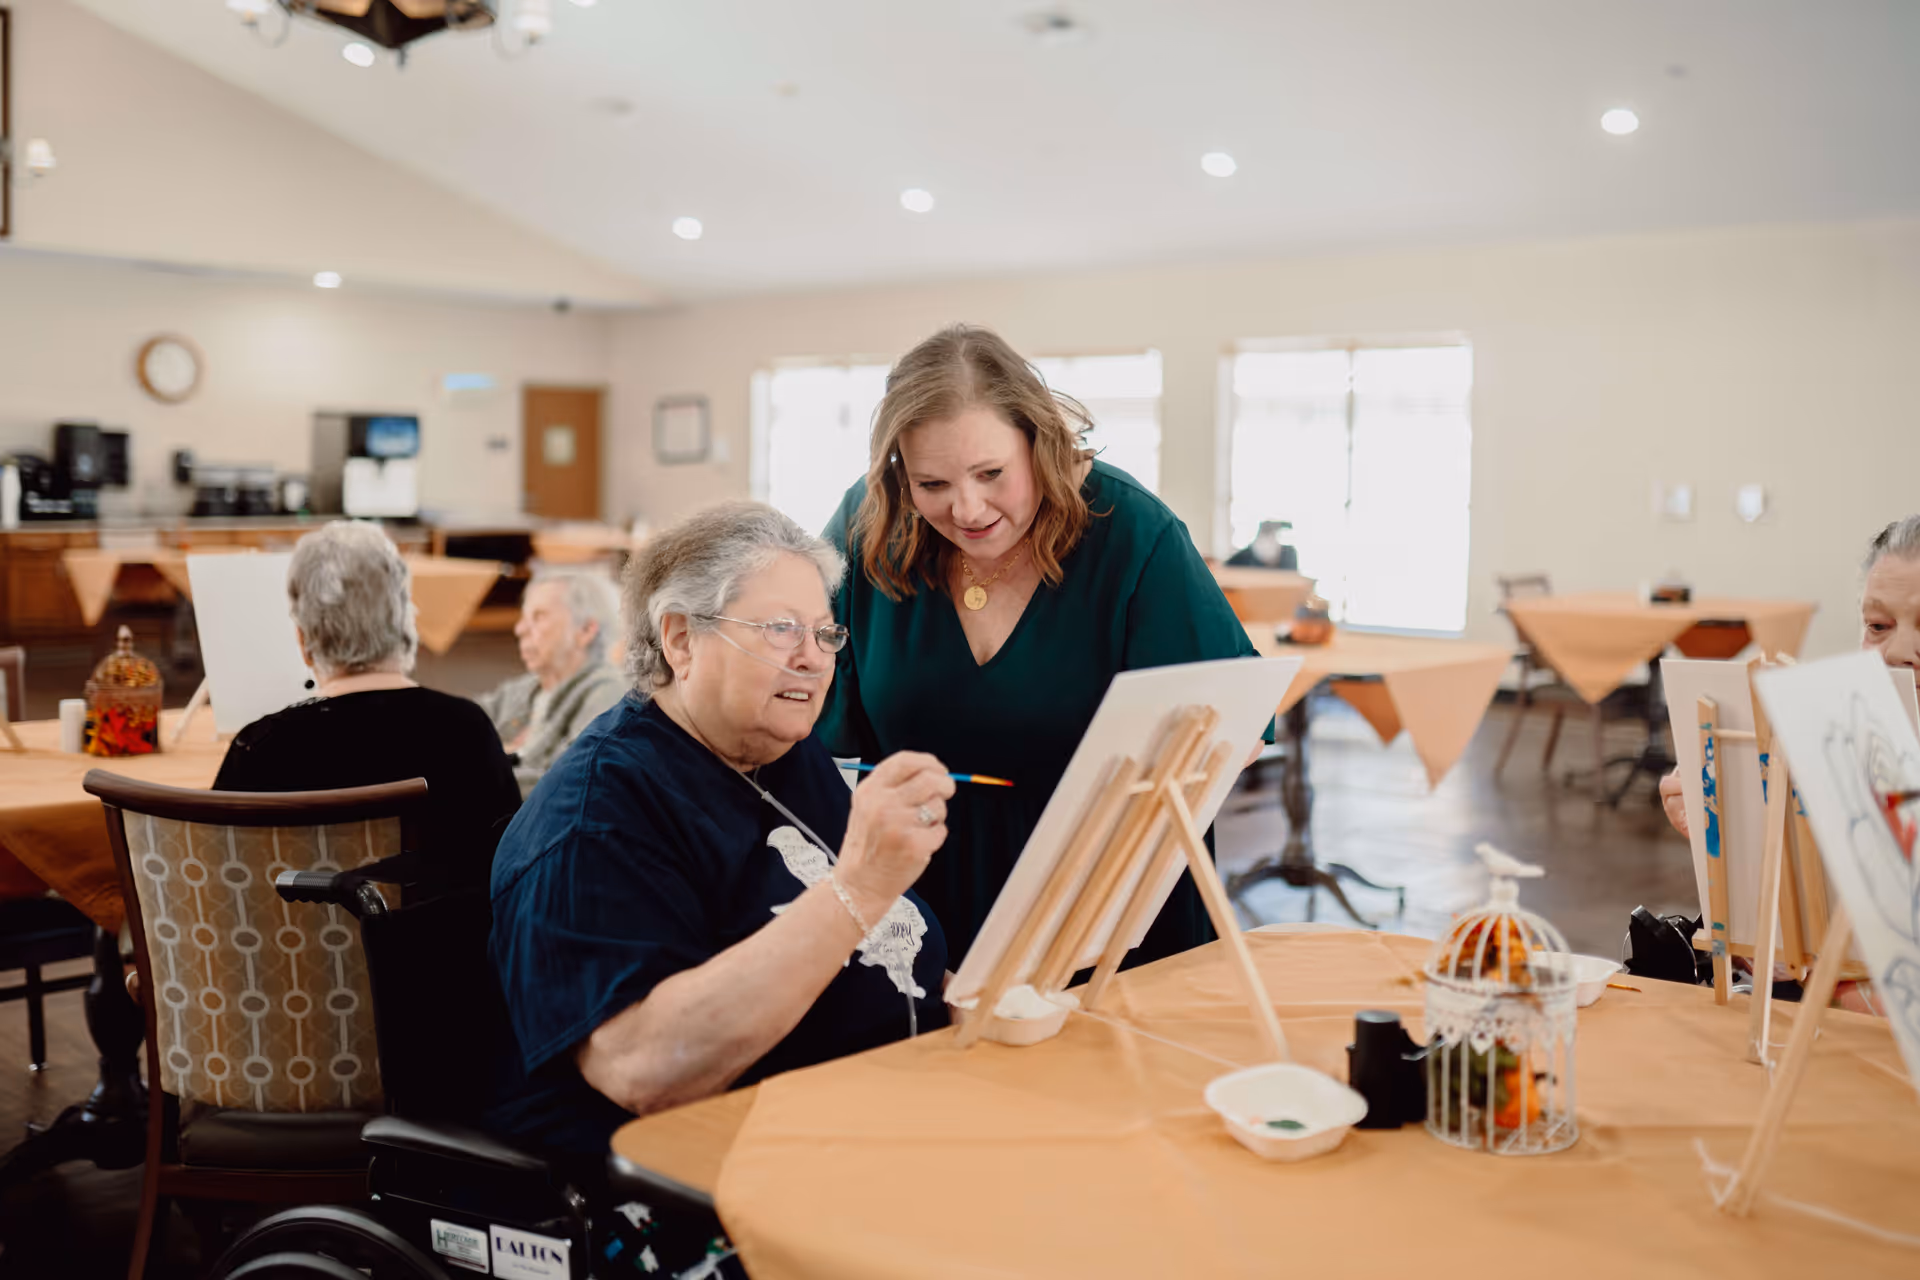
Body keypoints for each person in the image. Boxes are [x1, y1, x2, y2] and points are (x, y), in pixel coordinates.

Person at [487, 501, 955, 1162]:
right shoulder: (595, 817)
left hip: (872, 1121)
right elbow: (644, 1070)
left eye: (824, 634)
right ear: (680, 639)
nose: (812, 660)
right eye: (780, 629)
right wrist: (859, 888)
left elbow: (872, 941)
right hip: (693, 1186)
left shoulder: (784, 754)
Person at [818, 324, 1265, 967]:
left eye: (991, 473)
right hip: (918, 894)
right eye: (933, 484)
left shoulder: (1131, 529)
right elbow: (805, 693)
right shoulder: (873, 520)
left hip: (1101, 896)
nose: (967, 510)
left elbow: (1236, 723)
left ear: (1040, 442)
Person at [1655, 516, 1920, 1016]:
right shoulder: (1845, 738)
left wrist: (1828, 982)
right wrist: (1731, 829)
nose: (1899, 653)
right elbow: (1786, 952)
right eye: (1878, 627)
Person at [212, 521, 521, 902]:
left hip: (290, 960)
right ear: (404, 622)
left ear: (303, 640)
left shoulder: (258, 750)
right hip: (439, 959)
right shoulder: (467, 732)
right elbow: (512, 880)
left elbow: (222, 898)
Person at [475, 569, 625, 798]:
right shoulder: (525, 689)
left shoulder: (607, 693)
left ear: (585, 630)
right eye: (524, 618)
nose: (520, 629)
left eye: (539, 617)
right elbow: (463, 723)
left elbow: (575, 782)